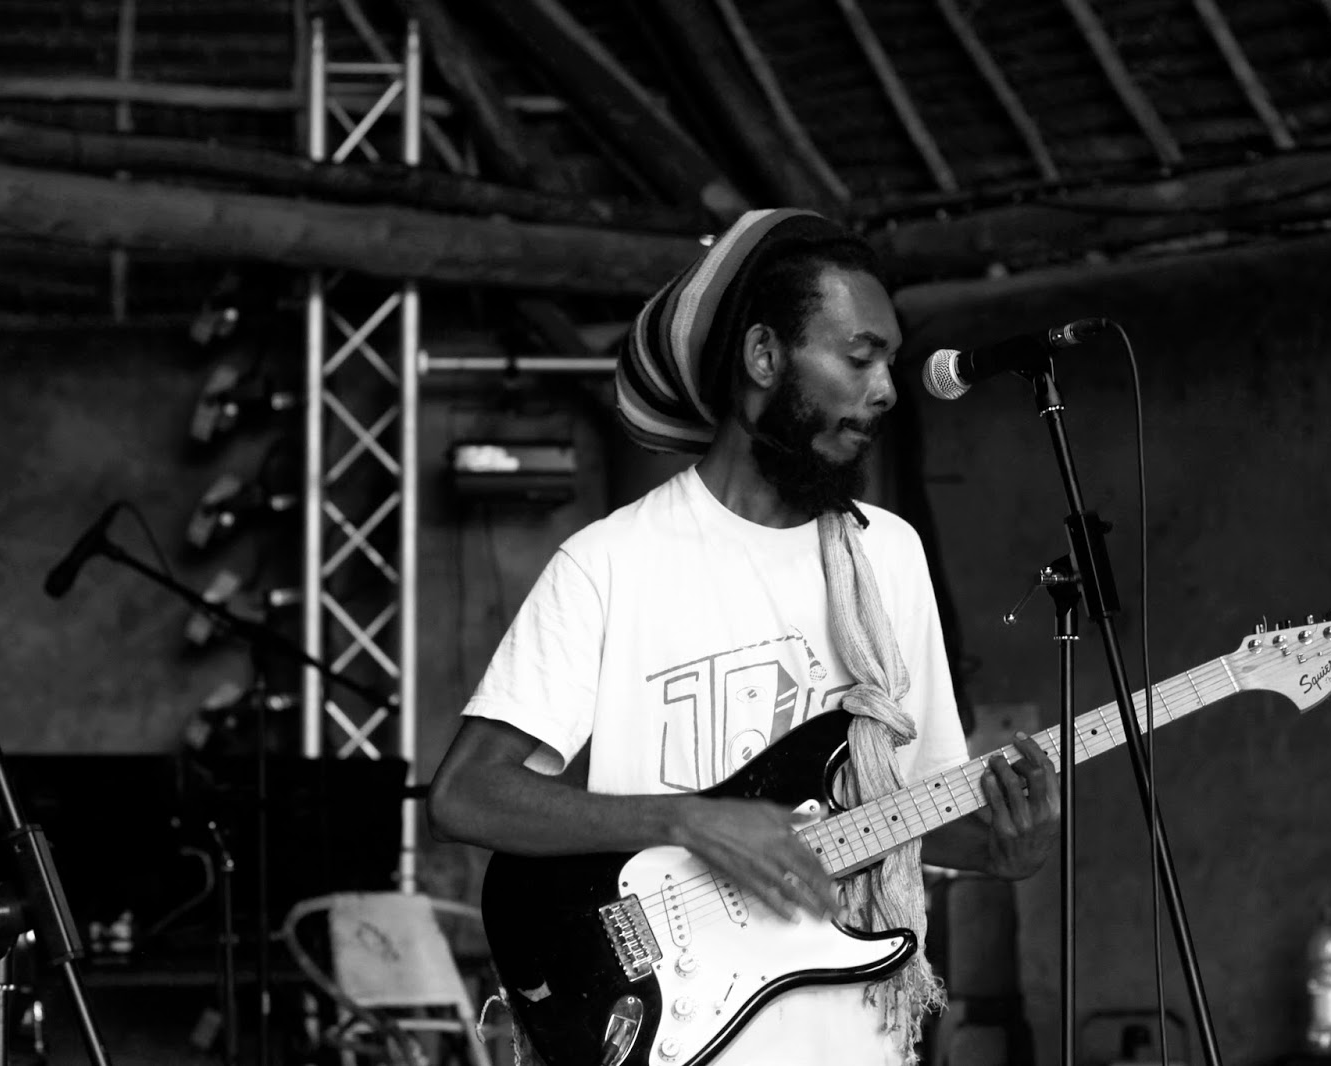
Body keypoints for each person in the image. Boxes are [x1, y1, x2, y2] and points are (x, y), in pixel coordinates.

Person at [428, 208, 1061, 1066]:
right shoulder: (611, 563)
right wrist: (691, 822)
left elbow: (899, 817)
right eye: (859, 357)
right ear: (764, 356)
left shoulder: (888, 557)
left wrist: (1005, 850)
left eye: (890, 363)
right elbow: (466, 795)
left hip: (858, 1046)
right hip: (678, 1036)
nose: (885, 390)